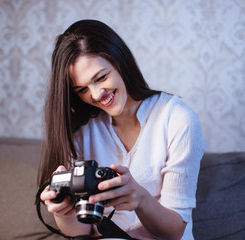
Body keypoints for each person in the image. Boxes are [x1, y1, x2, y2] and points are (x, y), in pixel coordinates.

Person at [38, 19, 206, 240]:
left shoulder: (177, 119)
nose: (96, 94)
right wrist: (64, 210)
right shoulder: (81, 130)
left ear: (120, 61)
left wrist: (140, 199)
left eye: (101, 78)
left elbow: (175, 231)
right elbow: (80, 232)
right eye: (82, 89)